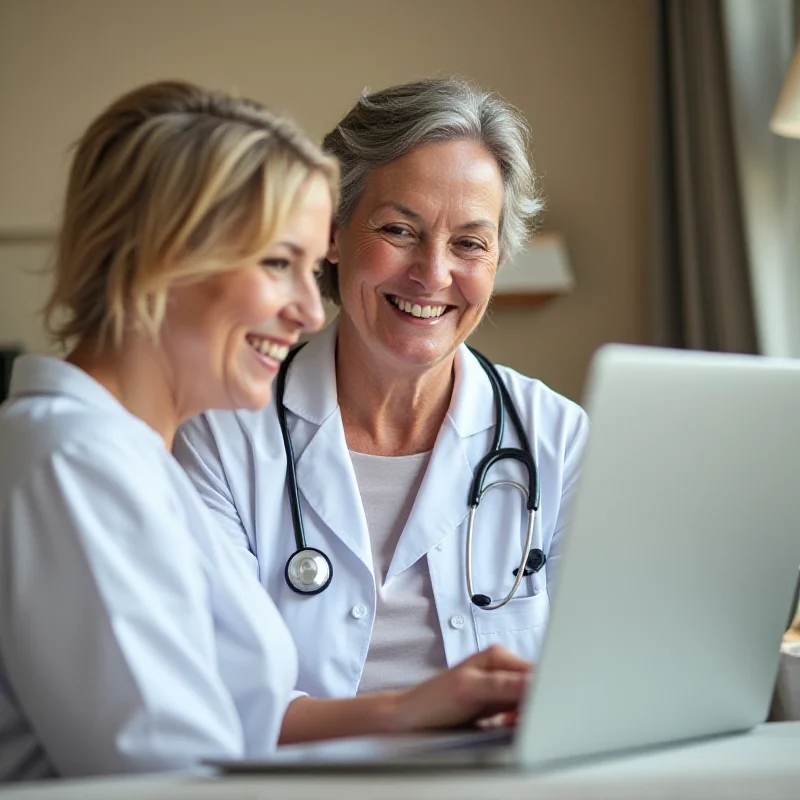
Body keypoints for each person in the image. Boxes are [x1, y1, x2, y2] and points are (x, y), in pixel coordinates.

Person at [0, 80, 531, 782]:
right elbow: (167, 774)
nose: (312, 311)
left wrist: (417, 709)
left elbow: (232, 725)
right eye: (279, 264)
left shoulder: (128, 456)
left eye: (310, 269)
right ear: (162, 256)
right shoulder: (72, 461)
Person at [174, 77, 589, 700]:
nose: (432, 274)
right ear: (334, 234)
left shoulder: (556, 437)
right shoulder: (222, 433)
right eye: (399, 230)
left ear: (497, 262)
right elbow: (216, 693)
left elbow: (594, 672)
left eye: (469, 244)